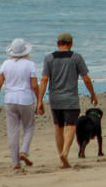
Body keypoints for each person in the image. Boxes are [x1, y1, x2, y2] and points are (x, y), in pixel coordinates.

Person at [38, 32, 98, 168]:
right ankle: (64, 153)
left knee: (58, 127)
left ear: (58, 43)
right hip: (70, 98)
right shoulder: (76, 58)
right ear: (71, 44)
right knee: (71, 126)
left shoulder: (49, 58)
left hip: (55, 98)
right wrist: (93, 94)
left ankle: (61, 159)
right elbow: (86, 78)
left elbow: (44, 79)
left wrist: (40, 100)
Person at [0, 38, 42, 170]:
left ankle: (15, 162)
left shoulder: (5, 64)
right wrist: (39, 101)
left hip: (9, 99)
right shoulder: (30, 64)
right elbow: (34, 85)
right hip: (26, 99)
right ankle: (24, 151)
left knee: (12, 131)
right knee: (29, 127)